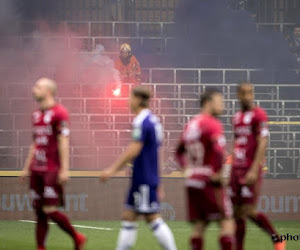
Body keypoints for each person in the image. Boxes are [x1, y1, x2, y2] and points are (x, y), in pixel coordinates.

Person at [100, 86, 177, 250]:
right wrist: (159, 180)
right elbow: (158, 152)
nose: (128, 101)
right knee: (129, 216)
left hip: (143, 177)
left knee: (153, 218)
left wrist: (112, 170)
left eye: (130, 98)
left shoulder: (141, 121)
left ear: (137, 99)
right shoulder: (154, 121)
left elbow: (134, 149)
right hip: (146, 177)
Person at [19, 78, 86, 250]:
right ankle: (40, 247)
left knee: (50, 209)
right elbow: (35, 143)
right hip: (36, 169)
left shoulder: (60, 113)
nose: (34, 89)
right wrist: (26, 167)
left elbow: (63, 140)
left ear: (48, 91)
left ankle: (77, 237)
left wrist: (64, 169)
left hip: (51, 169)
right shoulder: (35, 115)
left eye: (37, 86)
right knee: (39, 212)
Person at [176, 89, 235, 250]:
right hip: (209, 180)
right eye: (219, 101)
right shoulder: (212, 124)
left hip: (193, 180)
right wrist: (218, 172)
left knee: (200, 225)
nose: (222, 105)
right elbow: (218, 151)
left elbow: (178, 151)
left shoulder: (191, 124)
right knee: (227, 222)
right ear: (208, 103)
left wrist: (186, 169)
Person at [229, 82, 286, 250]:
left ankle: (277, 238)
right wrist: (231, 168)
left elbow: (262, 141)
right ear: (238, 95)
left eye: (250, 93)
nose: (247, 96)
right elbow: (237, 143)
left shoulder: (259, 115)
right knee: (236, 212)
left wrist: (255, 168)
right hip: (236, 169)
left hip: (250, 168)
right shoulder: (237, 117)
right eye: (244, 93)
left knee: (248, 210)